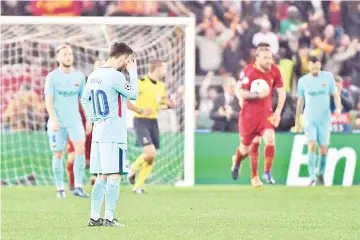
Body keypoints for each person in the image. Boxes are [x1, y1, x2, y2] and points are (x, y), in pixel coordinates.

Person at [81, 42, 138, 227]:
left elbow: (84, 98)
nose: (127, 64)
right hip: (114, 133)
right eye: (128, 60)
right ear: (122, 57)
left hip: (99, 133)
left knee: (101, 176)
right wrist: (134, 72)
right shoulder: (115, 77)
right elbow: (134, 94)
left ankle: (94, 217)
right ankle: (109, 218)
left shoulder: (94, 74)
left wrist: (93, 117)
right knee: (114, 175)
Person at [232, 42, 286, 187]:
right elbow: (241, 91)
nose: (269, 61)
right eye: (265, 58)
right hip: (249, 116)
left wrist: (278, 112)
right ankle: (237, 161)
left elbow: (282, 92)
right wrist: (256, 94)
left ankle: (266, 173)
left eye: (270, 58)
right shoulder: (249, 71)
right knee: (246, 148)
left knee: (269, 139)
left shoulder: (275, 70)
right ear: (257, 58)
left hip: (265, 114)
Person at [44, 44, 92, 198]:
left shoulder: (79, 77)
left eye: (70, 54)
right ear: (58, 58)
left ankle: (77, 186)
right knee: (58, 154)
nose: (68, 57)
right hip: (57, 122)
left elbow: (84, 100)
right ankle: (60, 188)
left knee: (80, 150)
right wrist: (53, 119)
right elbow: (48, 101)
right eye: (64, 54)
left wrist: (89, 119)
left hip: (75, 121)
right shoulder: (52, 77)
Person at [126, 59, 176, 194]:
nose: (165, 71)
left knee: (151, 157)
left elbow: (160, 105)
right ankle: (133, 168)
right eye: (164, 68)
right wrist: (140, 110)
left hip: (153, 122)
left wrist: (169, 106)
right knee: (150, 152)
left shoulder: (161, 86)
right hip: (140, 121)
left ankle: (138, 187)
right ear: (157, 68)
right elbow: (126, 101)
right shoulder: (141, 83)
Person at [295, 56, 342, 186]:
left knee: (323, 149)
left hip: (324, 119)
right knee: (311, 146)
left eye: (317, 67)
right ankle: (312, 177)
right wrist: (297, 120)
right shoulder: (303, 81)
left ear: (320, 65)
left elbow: (335, 94)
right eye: (312, 67)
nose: (315, 70)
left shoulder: (328, 77)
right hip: (310, 118)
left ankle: (320, 173)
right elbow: (300, 101)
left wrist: (338, 108)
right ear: (309, 66)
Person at [66, 58, 105, 190]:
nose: (101, 67)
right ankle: (73, 186)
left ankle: (95, 179)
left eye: (103, 65)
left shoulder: (109, 84)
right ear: (94, 68)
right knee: (73, 157)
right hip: (80, 122)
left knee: (93, 159)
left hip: (98, 124)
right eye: (98, 65)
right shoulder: (86, 83)